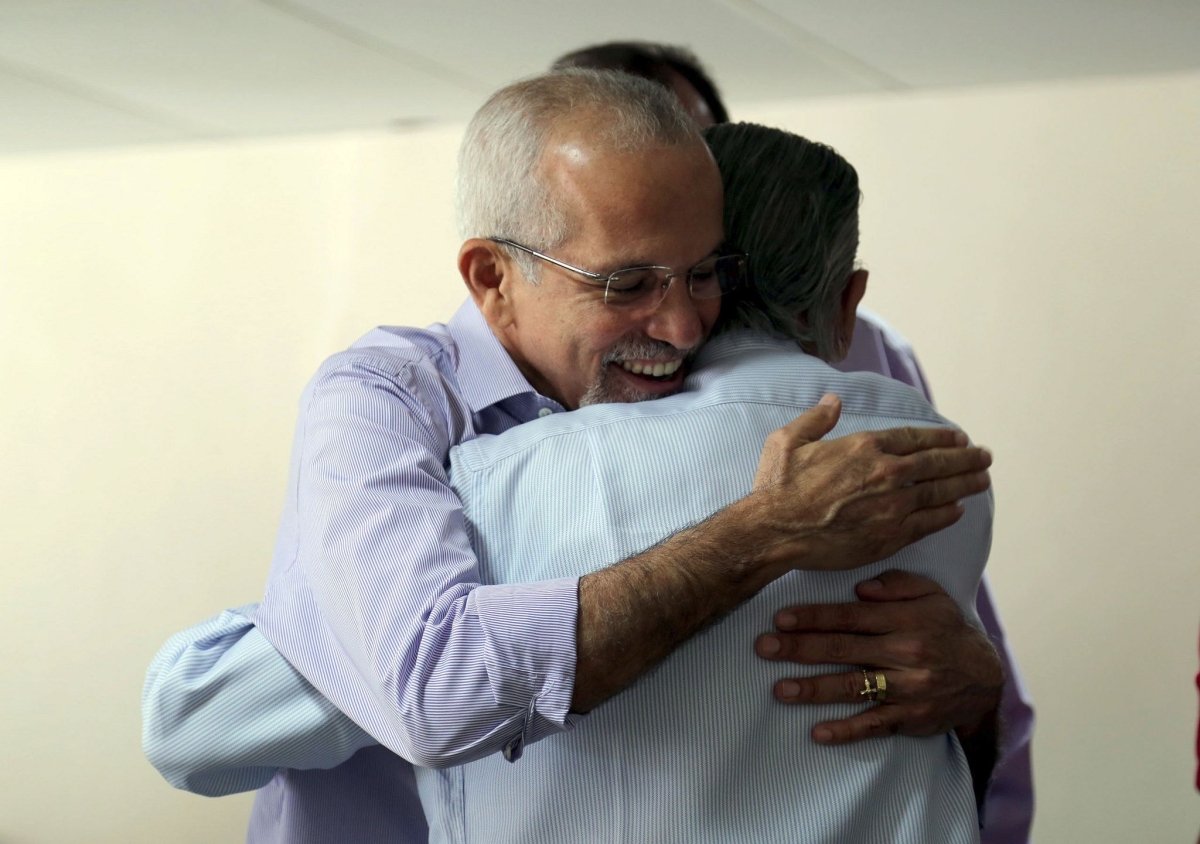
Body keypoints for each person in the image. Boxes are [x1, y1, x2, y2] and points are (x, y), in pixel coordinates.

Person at [144, 71, 995, 842]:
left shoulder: (782, 403)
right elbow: (217, 715)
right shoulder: (385, 404)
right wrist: (760, 534)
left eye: (707, 274)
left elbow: (924, 692)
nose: (686, 327)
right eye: (628, 285)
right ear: (494, 277)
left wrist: (972, 687)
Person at [555, 40, 1037, 840]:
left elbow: (962, 639)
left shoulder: (878, 371)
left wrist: (973, 691)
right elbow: (417, 680)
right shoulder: (458, 410)